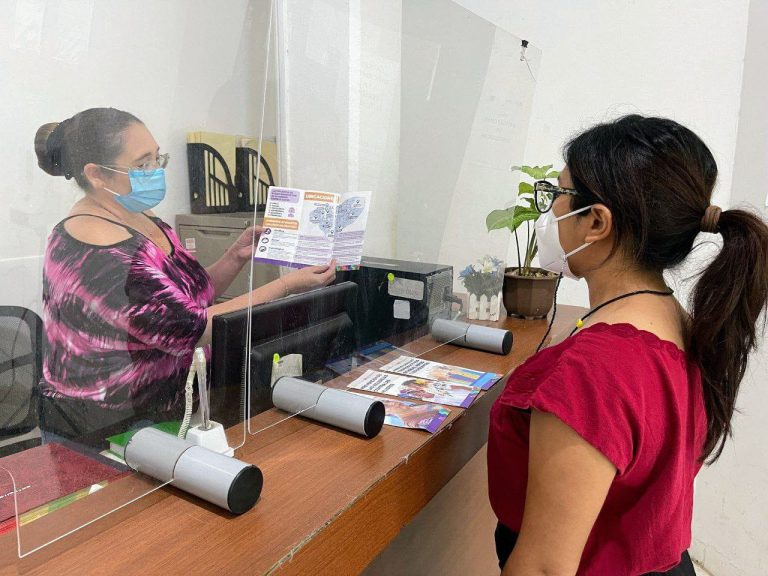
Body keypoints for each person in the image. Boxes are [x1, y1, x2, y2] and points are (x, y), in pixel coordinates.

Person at [487, 115, 768, 575]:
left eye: (559, 193)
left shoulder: (596, 369)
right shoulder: (679, 323)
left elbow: (543, 568)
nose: (552, 209)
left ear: (596, 221)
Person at [34, 107, 336, 443]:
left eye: (157, 159)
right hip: (107, 430)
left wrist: (235, 255)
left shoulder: (138, 217)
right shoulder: (99, 254)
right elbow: (195, 328)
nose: (155, 172)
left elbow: (190, 295)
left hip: (161, 417)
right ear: (97, 175)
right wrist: (287, 285)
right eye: (142, 164)